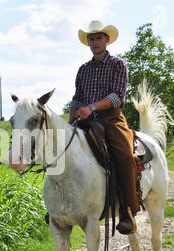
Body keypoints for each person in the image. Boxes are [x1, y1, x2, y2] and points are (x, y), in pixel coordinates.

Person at [69, 20, 143, 235]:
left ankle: (128, 210)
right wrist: (69, 122)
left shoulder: (118, 64)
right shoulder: (83, 70)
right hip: (84, 120)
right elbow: (76, 99)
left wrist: (92, 107)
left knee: (126, 156)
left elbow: (117, 96)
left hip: (111, 119)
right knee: (63, 151)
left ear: (107, 39)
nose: (95, 42)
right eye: (91, 39)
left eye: (98, 38)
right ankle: (61, 207)